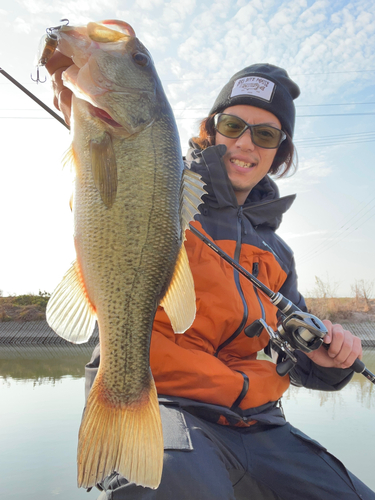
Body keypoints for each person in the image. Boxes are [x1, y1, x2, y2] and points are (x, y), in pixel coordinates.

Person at [47, 52, 374, 500]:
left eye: (265, 134)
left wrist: (329, 365)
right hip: (165, 406)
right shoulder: (166, 187)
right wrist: (77, 91)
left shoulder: (280, 254)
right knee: (176, 484)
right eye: (233, 125)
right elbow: (103, 176)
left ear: (280, 152)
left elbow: (289, 357)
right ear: (211, 128)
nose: (245, 143)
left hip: (262, 425)